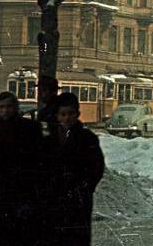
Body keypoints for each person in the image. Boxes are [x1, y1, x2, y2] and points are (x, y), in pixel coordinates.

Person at [41, 92, 105, 246]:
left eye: (71, 114)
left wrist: (86, 187)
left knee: (77, 237)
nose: (67, 118)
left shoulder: (87, 138)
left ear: (78, 114)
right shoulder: (49, 139)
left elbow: (97, 166)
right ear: (57, 116)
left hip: (78, 197)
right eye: (63, 114)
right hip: (54, 196)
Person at [0, 91, 42, 246]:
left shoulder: (30, 128)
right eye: (1, 107)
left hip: (24, 188)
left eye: (9, 106)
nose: (5, 110)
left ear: (15, 107)